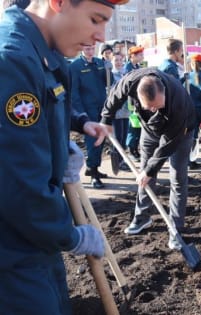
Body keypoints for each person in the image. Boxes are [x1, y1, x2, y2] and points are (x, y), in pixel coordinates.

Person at [0, 0, 127, 314]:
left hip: (32, 239)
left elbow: (49, 101)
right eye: (96, 19)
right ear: (57, 3)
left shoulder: (44, 52)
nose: (101, 36)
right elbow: (17, 182)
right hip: (11, 245)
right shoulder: (11, 59)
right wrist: (69, 236)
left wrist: (71, 132)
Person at [101, 68, 196, 250]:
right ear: (138, 94)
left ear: (164, 93)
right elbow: (114, 95)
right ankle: (142, 217)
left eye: (158, 107)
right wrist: (106, 119)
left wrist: (150, 170)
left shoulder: (178, 103)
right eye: (149, 106)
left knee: (177, 178)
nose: (153, 109)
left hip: (180, 133)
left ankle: (176, 228)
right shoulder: (130, 82)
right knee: (144, 177)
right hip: (150, 131)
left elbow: (168, 144)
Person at [70, 44, 111, 188]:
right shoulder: (75, 66)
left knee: (102, 138)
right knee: (93, 140)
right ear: (82, 49)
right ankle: (93, 174)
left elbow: (108, 82)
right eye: (87, 48)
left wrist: (109, 69)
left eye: (92, 48)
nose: (90, 51)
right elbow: (74, 92)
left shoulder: (100, 63)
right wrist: (81, 113)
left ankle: (94, 168)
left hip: (102, 107)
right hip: (88, 109)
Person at [124, 45, 144, 161]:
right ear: (133, 56)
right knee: (133, 126)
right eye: (140, 55)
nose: (142, 57)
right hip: (131, 101)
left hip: (138, 100)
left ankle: (135, 149)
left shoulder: (137, 66)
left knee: (138, 126)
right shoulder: (128, 68)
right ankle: (131, 149)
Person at [111, 51, 130, 171]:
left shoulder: (125, 73)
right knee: (117, 137)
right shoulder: (111, 74)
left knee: (123, 137)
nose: (118, 62)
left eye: (120, 60)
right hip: (116, 111)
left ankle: (122, 160)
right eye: (116, 60)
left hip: (125, 109)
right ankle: (117, 160)